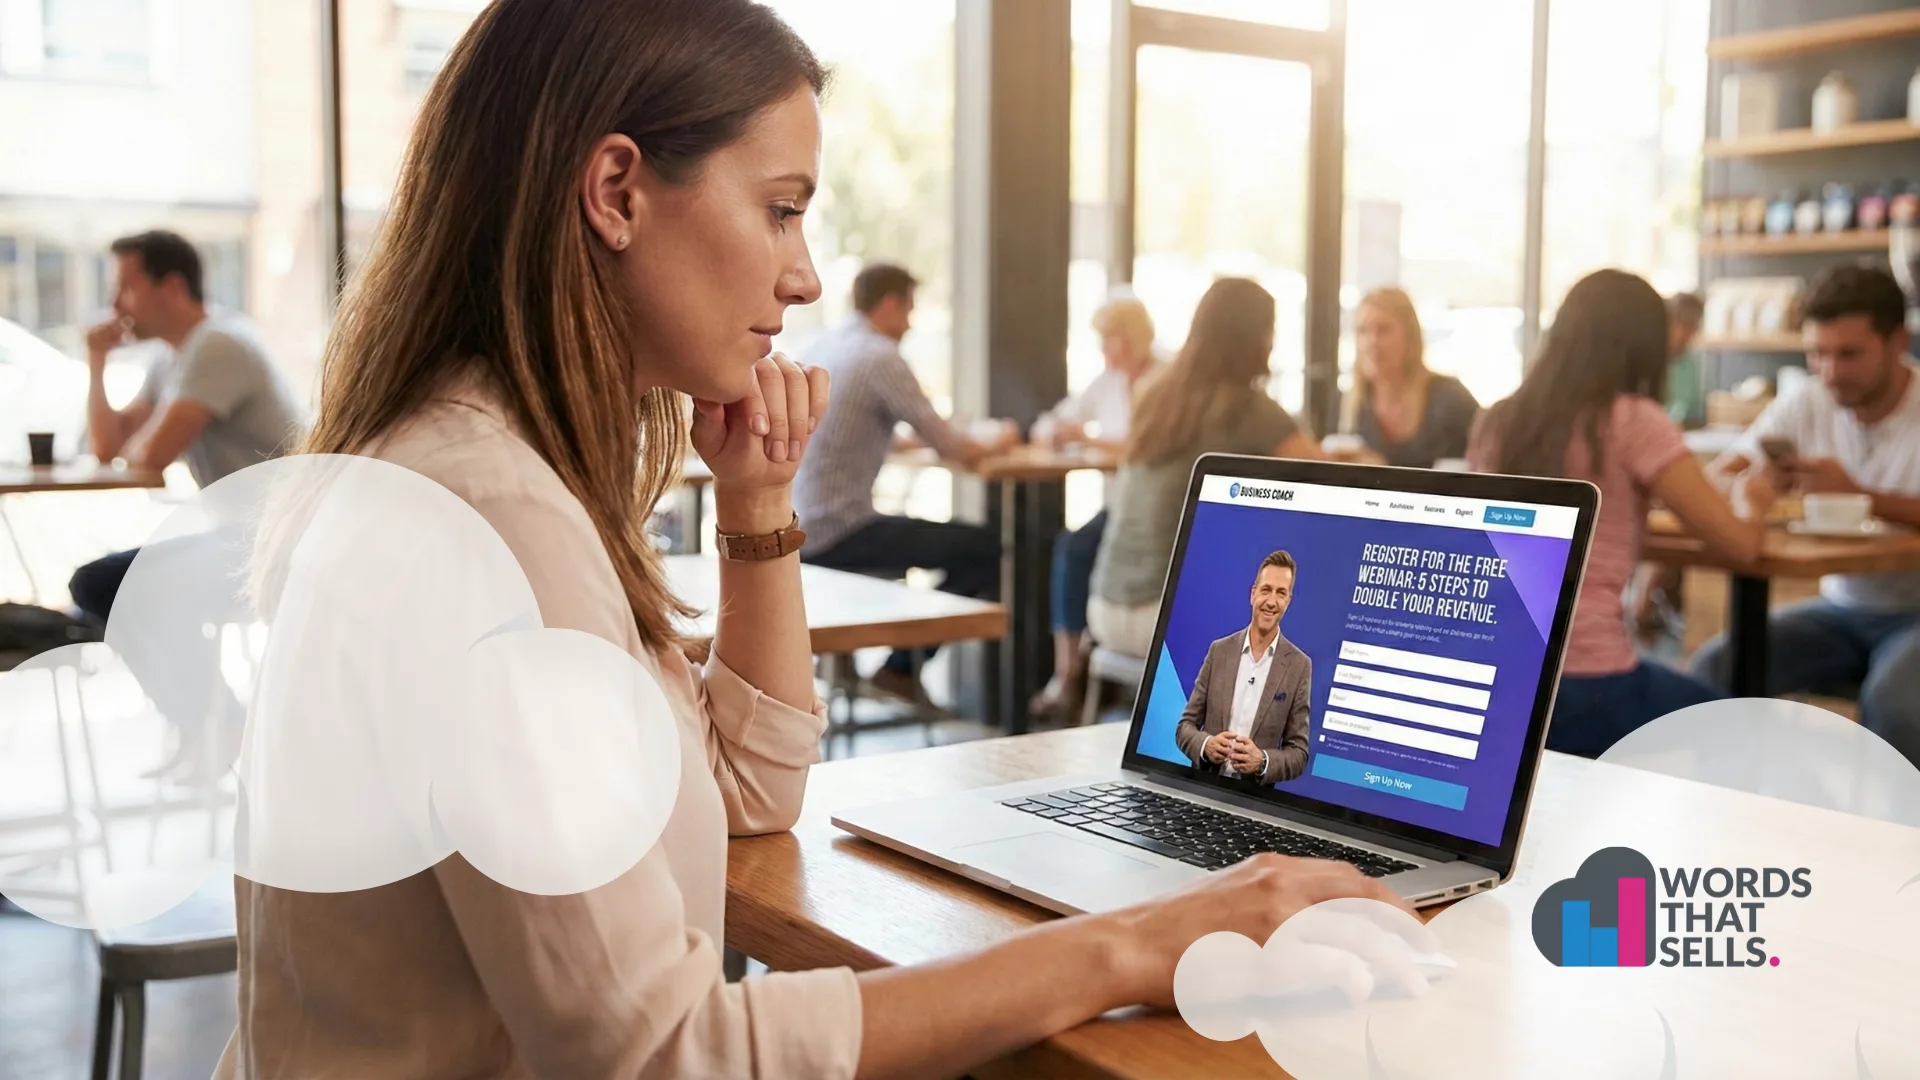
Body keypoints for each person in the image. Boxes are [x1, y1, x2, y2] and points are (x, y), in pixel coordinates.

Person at [217, 5, 1411, 1077]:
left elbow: (745, 787)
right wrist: (1134, 943)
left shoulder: (488, 471)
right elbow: (659, 1052)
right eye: (781, 209)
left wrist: (754, 504)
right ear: (617, 190)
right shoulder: (493, 512)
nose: (804, 274)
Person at [1467, 269, 1777, 759]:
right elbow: (1740, 544)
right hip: (1589, 682)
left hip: (1502, 676)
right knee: (1749, 733)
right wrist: (1754, 498)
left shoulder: (1501, 419)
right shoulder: (1633, 420)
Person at [65, 230, 305, 776]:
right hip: (235, 537)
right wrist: (96, 361)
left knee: (112, 586)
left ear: (170, 287)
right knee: (102, 586)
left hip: (275, 544)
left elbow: (150, 454)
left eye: (125, 287)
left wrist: (142, 438)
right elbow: (110, 447)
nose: (115, 305)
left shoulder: (220, 345)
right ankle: (206, 727)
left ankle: (221, 728)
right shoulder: (172, 358)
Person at [1692, 265, 1920, 762]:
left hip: (1913, 614)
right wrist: (1758, 483)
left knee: (1898, 708)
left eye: (1849, 354)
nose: (1830, 371)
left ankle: (1890, 839)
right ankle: (1749, 818)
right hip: (1839, 609)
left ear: (1898, 341)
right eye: (1817, 354)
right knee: (1715, 670)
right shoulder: (1808, 401)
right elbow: (1719, 478)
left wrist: (1861, 495)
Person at [793, 262, 1017, 700]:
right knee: (986, 545)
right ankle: (899, 668)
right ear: (891, 305)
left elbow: (858, 430)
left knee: (962, 541)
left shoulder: (827, 345)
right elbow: (951, 445)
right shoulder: (880, 356)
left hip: (802, 527)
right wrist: (1002, 439)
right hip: (841, 531)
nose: (910, 324)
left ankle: (894, 668)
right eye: (910, 311)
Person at [1087, 277, 1322, 660]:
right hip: (1162, 618)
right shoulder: (1249, 408)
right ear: (1257, 336)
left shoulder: (1155, 394)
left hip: (1104, 605)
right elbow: (1324, 476)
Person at [1029, 292, 1163, 719]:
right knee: (1072, 548)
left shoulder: (1166, 379)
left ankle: (1082, 667)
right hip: (1119, 507)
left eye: (1119, 338)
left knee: (1085, 551)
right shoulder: (1106, 381)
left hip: (1151, 511)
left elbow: (1146, 444)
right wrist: (1054, 431)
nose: (1112, 349)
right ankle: (1067, 672)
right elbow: (1050, 421)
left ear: (1141, 337)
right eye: (1105, 339)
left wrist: (1085, 438)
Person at [1173, 550, 1312, 785]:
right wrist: (1206, 745)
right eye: (1266, 590)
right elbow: (1185, 727)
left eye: (1281, 593)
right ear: (1252, 593)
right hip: (1204, 789)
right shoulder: (1219, 651)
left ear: (1288, 601)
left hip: (1255, 802)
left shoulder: (1299, 666)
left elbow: (1299, 753)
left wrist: (1262, 762)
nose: (1271, 601)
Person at [1632, 291, 1710, 644]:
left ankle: (1650, 601)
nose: (1686, 336)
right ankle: (1645, 603)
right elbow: (1740, 544)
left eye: (1693, 329)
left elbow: (1691, 413)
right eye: (1682, 327)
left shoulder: (1686, 364)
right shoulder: (1637, 380)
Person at [1339, 287, 1478, 468]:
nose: (1371, 341)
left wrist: (1383, 470)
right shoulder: (1348, 404)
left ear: (1410, 336)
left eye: (1383, 330)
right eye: (1363, 331)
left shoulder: (1451, 399)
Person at [1663, 292, 1707, 429]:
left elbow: (1696, 414)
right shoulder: (1646, 361)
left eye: (1693, 326)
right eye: (1682, 324)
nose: (1686, 334)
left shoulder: (1687, 364)